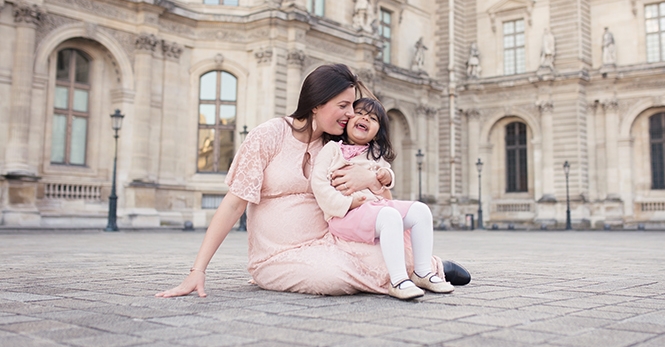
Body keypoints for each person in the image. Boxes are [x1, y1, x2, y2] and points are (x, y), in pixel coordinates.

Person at [156, 64, 469, 298]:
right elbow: (233, 204)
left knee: (383, 253)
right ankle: (413, 271)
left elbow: (382, 203)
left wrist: (368, 176)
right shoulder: (270, 135)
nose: (350, 115)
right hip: (278, 254)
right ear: (317, 102)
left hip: (334, 242)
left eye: (353, 106)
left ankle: (424, 267)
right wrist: (198, 271)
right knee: (329, 276)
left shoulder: (338, 147)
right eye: (343, 106)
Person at [311, 97, 454, 300]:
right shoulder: (332, 150)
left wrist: (386, 177)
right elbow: (319, 184)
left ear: (379, 131)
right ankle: (398, 280)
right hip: (345, 215)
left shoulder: (375, 153)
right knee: (389, 215)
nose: (365, 119)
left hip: (376, 209)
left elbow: (385, 175)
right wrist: (346, 203)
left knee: (421, 211)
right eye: (359, 113)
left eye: (373, 118)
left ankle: (422, 272)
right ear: (348, 121)